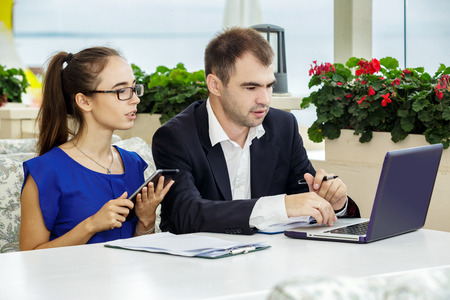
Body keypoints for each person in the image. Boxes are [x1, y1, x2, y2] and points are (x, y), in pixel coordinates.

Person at [152, 27, 360, 235]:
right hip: (199, 264)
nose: (265, 99)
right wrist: (279, 207)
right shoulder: (175, 137)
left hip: (272, 260)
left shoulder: (283, 126)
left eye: (269, 86)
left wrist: (335, 203)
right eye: (251, 88)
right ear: (215, 85)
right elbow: (186, 214)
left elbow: (304, 200)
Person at [19, 47, 174, 250]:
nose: (135, 99)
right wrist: (91, 225)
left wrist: (146, 221)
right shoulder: (46, 172)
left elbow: (138, 253)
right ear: (84, 101)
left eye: (134, 88)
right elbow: (27, 258)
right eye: (121, 91)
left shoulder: (133, 163)